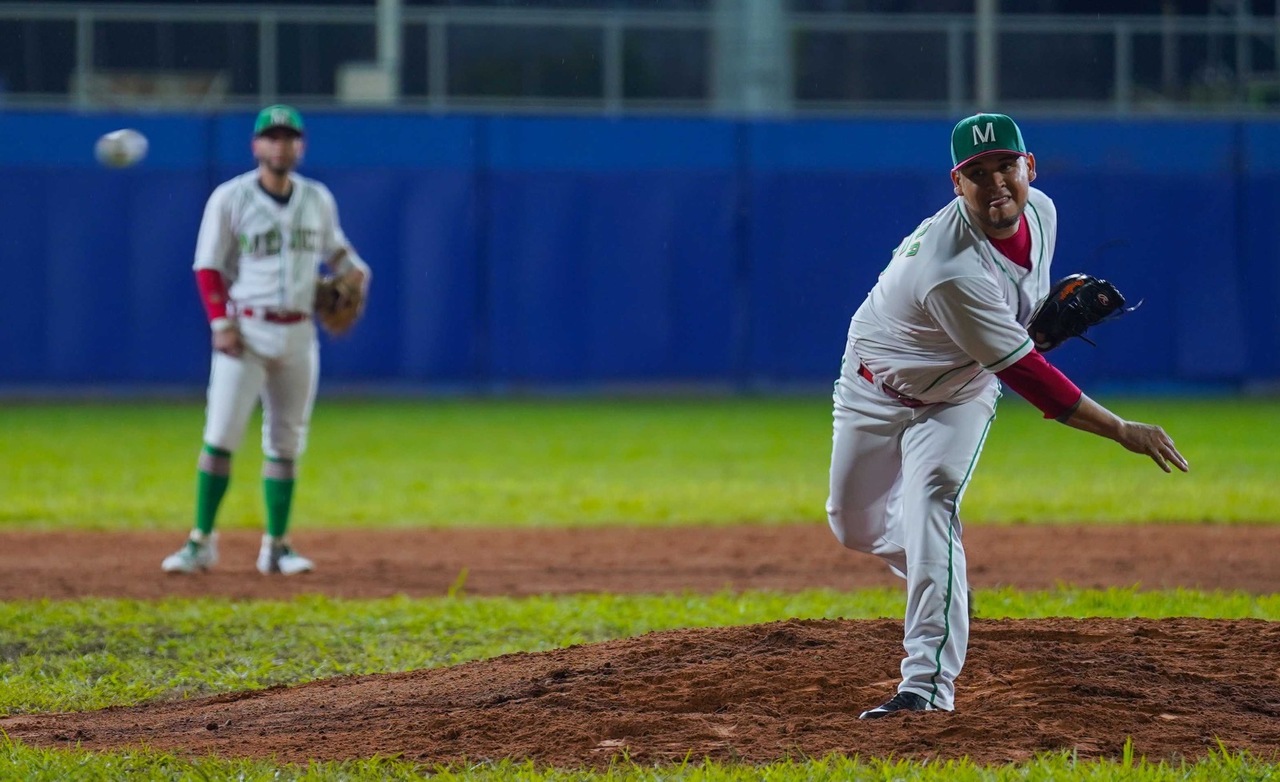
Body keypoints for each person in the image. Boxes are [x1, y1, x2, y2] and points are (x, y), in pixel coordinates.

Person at [826, 113, 1188, 718]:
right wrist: (1121, 429)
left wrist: (1031, 330)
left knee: (932, 500)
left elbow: (1014, 331)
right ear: (957, 184)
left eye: (1005, 165)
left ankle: (925, 687)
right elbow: (1028, 376)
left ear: (1030, 168)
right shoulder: (949, 269)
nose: (995, 182)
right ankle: (942, 579)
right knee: (852, 527)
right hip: (872, 389)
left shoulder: (1042, 212)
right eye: (977, 173)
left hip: (959, 394)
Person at [162, 104, 370, 576]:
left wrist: (358, 274)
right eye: (272, 137)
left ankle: (276, 546)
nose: (281, 145)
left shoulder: (316, 199)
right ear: (256, 145)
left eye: (289, 137)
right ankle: (200, 541)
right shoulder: (230, 197)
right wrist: (220, 323)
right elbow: (208, 266)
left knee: (286, 442)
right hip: (247, 332)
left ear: (301, 146)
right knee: (220, 437)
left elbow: (339, 253)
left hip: (299, 332)